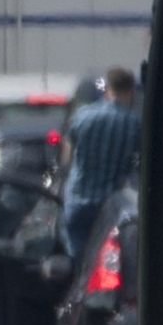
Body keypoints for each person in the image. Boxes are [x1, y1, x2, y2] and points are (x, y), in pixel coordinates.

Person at [62, 64, 140, 273]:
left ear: (107, 89)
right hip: (109, 207)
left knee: (78, 262)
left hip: (78, 201)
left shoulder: (83, 116)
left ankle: (76, 295)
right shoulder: (134, 123)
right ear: (131, 91)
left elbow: (67, 158)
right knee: (106, 265)